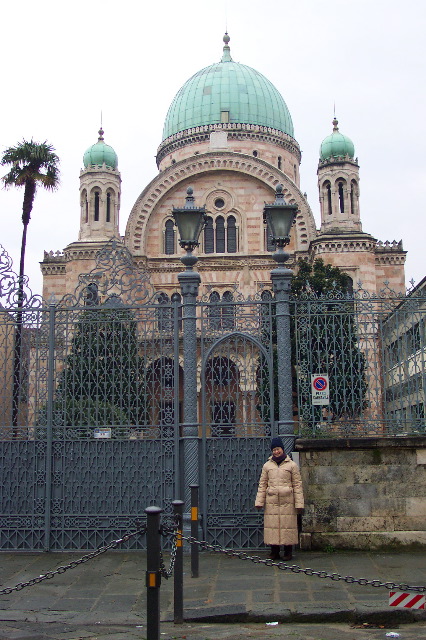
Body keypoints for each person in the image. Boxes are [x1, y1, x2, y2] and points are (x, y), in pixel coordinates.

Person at [255, 437, 304, 561]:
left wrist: (299, 503)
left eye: (278, 449)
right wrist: (259, 501)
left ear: (282, 449)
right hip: (272, 501)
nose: (276, 452)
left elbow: (297, 484)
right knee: (273, 527)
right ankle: (274, 552)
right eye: (274, 450)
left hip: (287, 500)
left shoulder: (292, 465)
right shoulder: (267, 466)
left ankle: (288, 552)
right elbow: (263, 484)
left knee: (288, 526)